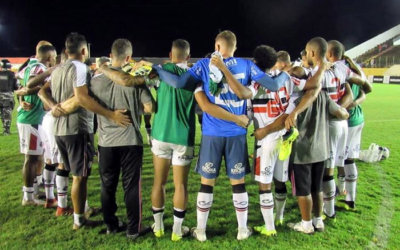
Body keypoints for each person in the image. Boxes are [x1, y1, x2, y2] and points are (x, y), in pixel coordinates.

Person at [153, 30, 287, 241]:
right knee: (238, 182)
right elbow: (273, 85)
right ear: (235, 47)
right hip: (237, 134)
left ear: (217, 47)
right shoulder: (246, 65)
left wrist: (158, 70)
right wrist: (286, 73)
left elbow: (179, 84)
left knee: (207, 182)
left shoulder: (205, 65)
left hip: (212, 134)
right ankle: (242, 230)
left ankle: (201, 231)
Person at [38, 32, 131, 230]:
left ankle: (81, 208)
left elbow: (41, 91)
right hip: (77, 127)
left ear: (65, 51)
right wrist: (110, 114)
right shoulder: (80, 68)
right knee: (80, 176)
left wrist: (53, 106)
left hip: (59, 129)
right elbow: (82, 97)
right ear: (83, 50)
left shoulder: (58, 68)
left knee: (71, 172)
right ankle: (79, 220)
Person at [90, 38, 155, 240]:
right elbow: (150, 107)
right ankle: (133, 229)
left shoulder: (95, 80)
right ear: (128, 57)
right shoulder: (134, 79)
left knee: (107, 185)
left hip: (106, 142)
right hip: (130, 140)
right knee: (131, 186)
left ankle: (111, 224)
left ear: (111, 55)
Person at [322, 40, 372, 221]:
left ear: (329, 53)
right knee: (346, 160)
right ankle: (348, 198)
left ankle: (330, 205)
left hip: (342, 120)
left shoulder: (335, 69)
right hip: (356, 118)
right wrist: (354, 103)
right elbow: (367, 88)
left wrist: (344, 107)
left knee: (330, 164)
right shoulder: (353, 67)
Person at [17, 45, 57, 206]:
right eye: (54, 57)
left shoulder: (29, 66)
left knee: (37, 156)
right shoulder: (39, 68)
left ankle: (33, 190)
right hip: (31, 118)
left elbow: (22, 86)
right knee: (31, 158)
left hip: (34, 118)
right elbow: (29, 87)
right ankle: (28, 197)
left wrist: (20, 93)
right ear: (49, 57)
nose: (54, 60)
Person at [0, 59, 18, 135]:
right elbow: (16, 87)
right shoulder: (12, 74)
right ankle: (6, 131)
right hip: (7, 97)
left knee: (3, 114)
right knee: (7, 114)